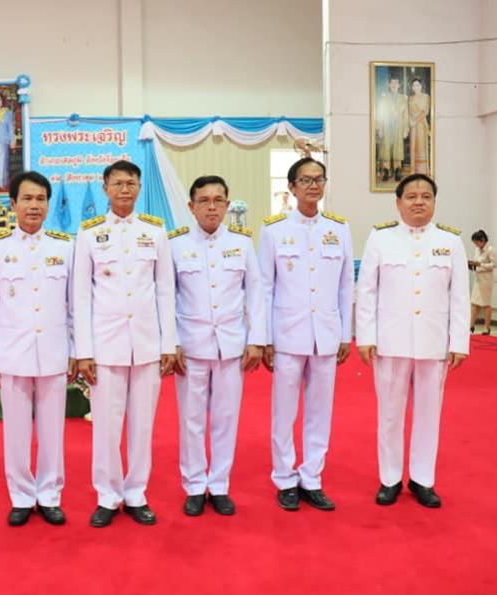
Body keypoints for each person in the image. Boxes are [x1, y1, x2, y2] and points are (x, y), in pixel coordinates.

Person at [73, 159, 177, 527]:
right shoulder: (89, 234)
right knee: (106, 425)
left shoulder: (155, 231)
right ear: (105, 189)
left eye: (131, 183)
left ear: (139, 188)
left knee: (142, 425)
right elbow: (80, 296)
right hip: (106, 346)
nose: (124, 189)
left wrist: (169, 344)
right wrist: (83, 351)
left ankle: (136, 493)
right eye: (117, 183)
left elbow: (166, 290)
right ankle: (107, 494)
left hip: (147, 344)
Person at [356, 173, 470, 508]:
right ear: (398, 202)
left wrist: (458, 342)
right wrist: (366, 336)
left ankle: (423, 479)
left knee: (429, 414)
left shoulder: (451, 241)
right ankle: (390, 478)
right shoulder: (381, 238)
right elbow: (367, 291)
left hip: (433, 342)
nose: (419, 202)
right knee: (390, 414)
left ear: (434, 202)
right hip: (390, 341)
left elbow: (460, 297)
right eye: (411, 196)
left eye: (426, 196)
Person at [0, 171, 75, 527]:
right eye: (27, 199)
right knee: (15, 432)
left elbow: (73, 306)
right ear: (13, 204)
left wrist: (76, 351)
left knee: (52, 431)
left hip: (53, 352)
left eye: (40, 199)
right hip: (12, 354)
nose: (34, 205)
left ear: (48, 205)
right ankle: (20, 495)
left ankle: (49, 495)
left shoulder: (65, 248)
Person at [258, 158, 353, 511]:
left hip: (326, 334)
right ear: (292, 187)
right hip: (287, 334)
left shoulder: (339, 228)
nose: (313, 186)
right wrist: (265, 338)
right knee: (284, 412)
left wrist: (345, 334)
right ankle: (285, 477)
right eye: (305, 180)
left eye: (319, 179)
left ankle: (312, 477)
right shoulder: (274, 229)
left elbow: (346, 284)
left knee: (320, 411)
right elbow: (265, 287)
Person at [169, 176, 265, 517]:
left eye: (218, 200)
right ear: (191, 206)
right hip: (190, 347)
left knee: (226, 419)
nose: (211, 207)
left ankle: (220, 485)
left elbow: (256, 293)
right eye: (204, 200)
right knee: (191, 420)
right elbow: (166, 296)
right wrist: (171, 342)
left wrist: (257, 340)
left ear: (227, 204)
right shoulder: (176, 244)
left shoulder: (242, 243)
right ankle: (195, 486)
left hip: (230, 345)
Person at [377, 77, 409, 183]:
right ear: (389, 85)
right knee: (386, 148)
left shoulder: (403, 98)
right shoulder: (384, 98)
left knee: (398, 148)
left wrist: (406, 129)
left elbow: (406, 115)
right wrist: (380, 129)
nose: (394, 85)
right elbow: (380, 114)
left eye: (396, 83)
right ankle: (386, 171)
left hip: (398, 127)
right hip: (387, 126)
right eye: (392, 83)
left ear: (399, 85)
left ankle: (397, 170)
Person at [469, 229, 497, 334]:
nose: (476, 245)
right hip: (478, 279)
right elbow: (477, 262)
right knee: (474, 303)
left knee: (486, 304)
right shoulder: (477, 250)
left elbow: (494, 265)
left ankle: (487, 327)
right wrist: (472, 265)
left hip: (486, 280)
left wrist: (480, 265)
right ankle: (471, 326)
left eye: (477, 242)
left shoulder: (490, 250)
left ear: (482, 240)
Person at [408, 78, 431, 175]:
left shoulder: (426, 97)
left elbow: (426, 111)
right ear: (412, 87)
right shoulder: (410, 98)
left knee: (421, 146)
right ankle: (414, 170)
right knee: (413, 146)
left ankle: (423, 171)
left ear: (421, 86)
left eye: (417, 85)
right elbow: (408, 112)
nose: (416, 87)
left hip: (421, 124)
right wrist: (411, 120)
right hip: (413, 125)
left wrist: (416, 121)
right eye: (414, 85)